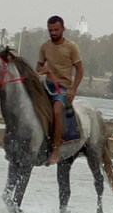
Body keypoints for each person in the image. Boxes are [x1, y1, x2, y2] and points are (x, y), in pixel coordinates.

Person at [36, 15, 83, 166]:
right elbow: (38, 67)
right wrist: (45, 70)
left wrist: (73, 90)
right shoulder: (45, 46)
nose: (53, 32)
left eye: (56, 29)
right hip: (47, 85)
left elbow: (80, 70)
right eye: (50, 30)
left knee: (57, 109)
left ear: (63, 29)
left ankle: (55, 149)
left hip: (62, 87)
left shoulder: (71, 47)